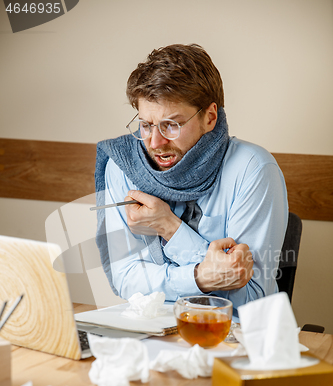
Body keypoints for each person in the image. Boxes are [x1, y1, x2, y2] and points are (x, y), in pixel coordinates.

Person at [94, 44, 288, 320]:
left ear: (210, 117)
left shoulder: (253, 169)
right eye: (146, 125)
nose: (155, 142)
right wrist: (200, 277)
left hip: (231, 337)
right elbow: (126, 280)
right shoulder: (122, 167)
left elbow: (249, 300)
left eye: (171, 125)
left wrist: (169, 228)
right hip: (150, 329)